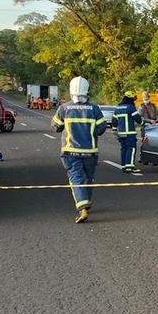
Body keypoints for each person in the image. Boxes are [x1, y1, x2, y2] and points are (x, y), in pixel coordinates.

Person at [51, 76, 107, 223]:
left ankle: (82, 208)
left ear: (71, 92)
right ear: (87, 91)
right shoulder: (94, 109)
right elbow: (102, 128)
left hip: (70, 152)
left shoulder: (64, 108)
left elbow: (55, 126)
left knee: (76, 178)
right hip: (90, 152)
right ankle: (86, 202)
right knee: (88, 179)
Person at [114, 90, 143, 174]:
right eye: (133, 99)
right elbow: (138, 119)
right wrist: (142, 123)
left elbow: (114, 121)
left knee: (124, 149)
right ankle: (129, 167)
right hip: (129, 133)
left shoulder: (118, 108)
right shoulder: (130, 107)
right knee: (131, 149)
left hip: (121, 133)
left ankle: (124, 166)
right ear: (130, 99)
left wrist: (115, 130)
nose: (134, 101)